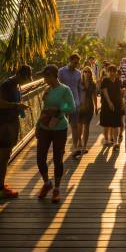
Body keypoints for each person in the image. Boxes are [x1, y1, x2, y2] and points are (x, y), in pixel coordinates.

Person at [0, 65, 33, 198]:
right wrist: (17, 106)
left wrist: (19, 106)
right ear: (20, 74)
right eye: (26, 78)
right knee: (4, 156)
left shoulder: (16, 86)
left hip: (11, 122)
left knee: (5, 154)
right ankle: (0, 189)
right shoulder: (7, 85)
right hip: (4, 124)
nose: (25, 82)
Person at [36, 65, 76, 203]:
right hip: (44, 128)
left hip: (59, 129)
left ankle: (57, 189)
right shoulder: (47, 90)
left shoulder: (65, 90)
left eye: (46, 76)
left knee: (57, 158)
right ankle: (47, 183)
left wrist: (58, 112)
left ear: (53, 76)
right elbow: (45, 109)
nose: (44, 79)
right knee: (40, 158)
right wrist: (37, 125)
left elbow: (71, 107)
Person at [58, 53, 82, 156]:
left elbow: (79, 88)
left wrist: (80, 101)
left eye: (77, 62)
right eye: (75, 62)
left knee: (75, 126)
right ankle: (61, 147)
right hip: (64, 103)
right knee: (61, 126)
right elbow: (57, 86)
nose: (76, 64)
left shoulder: (78, 73)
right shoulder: (61, 71)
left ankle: (75, 148)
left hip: (75, 103)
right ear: (70, 60)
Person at [100, 64, 123, 148]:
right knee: (106, 123)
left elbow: (120, 92)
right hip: (106, 105)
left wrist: (122, 102)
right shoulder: (105, 81)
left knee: (116, 123)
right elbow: (105, 93)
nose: (112, 73)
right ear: (108, 72)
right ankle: (106, 140)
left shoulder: (118, 81)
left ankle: (116, 141)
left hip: (117, 104)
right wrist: (109, 103)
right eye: (110, 71)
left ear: (116, 72)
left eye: (114, 71)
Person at [79, 66, 98, 153]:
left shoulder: (93, 84)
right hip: (80, 107)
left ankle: (84, 146)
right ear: (82, 73)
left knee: (86, 127)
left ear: (91, 73)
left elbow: (94, 95)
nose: (87, 73)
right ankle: (79, 141)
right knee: (79, 127)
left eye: (88, 72)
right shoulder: (79, 83)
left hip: (89, 107)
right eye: (85, 72)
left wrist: (96, 107)